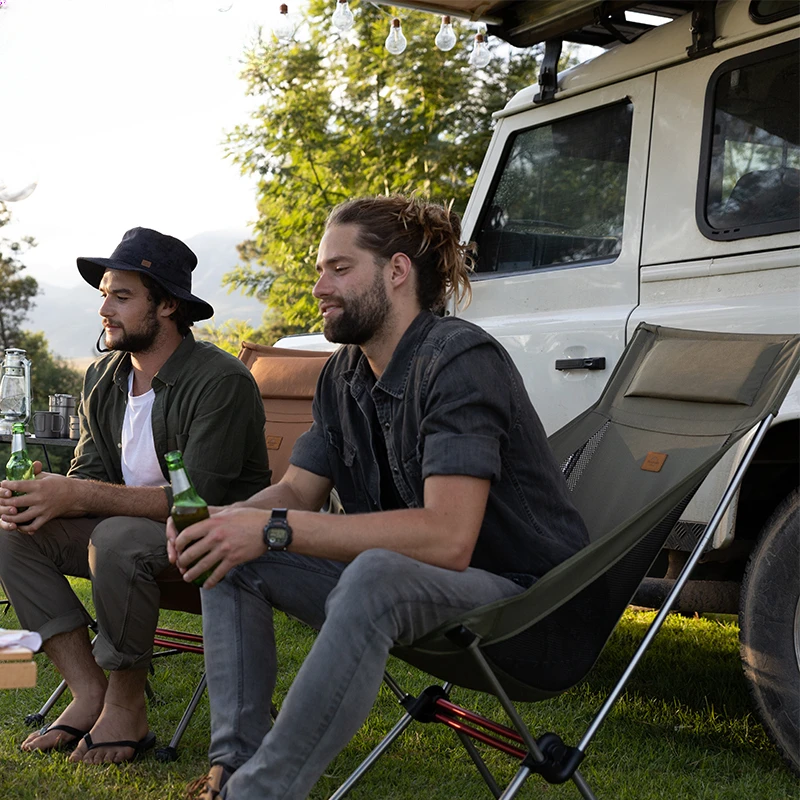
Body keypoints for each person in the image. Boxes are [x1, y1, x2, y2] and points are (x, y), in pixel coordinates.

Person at [171, 196, 589, 800]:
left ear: (397, 271)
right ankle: (233, 769)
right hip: (425, 595)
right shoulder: (345, 375)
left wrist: (270, 529)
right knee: (227, 554)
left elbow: (448, 537)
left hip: (525, 607)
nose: (319, 286)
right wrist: (220, 521)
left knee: (372, 575)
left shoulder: (460, 362)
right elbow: (296, 490)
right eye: (320, 270)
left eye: (339, 269)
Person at [0, 227, 271, 764]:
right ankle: (89, 692)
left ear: (167, 305)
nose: (105, 308)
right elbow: (91, 473)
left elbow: (201, 499)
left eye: (122, 296)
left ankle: (127, 708)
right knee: (12, 533)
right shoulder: (103, 377)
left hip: (211, 542)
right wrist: (46, 494)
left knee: (117, 536)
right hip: (125, 542)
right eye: (104, 293)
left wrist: (76, 492)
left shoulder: (222, 381)